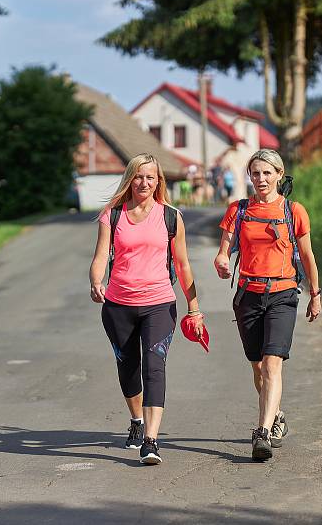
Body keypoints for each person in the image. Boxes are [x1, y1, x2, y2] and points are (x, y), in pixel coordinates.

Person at [89, 153, 205, 465]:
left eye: (150, 177)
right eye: (139, 177)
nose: (144, 183)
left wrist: (194, 307)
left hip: (159, 303)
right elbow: (101, 255)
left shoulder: (170, 216)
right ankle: (136, 421)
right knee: (128, 366)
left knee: (154, 366)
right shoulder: (112, 215)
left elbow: (182, 265)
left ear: (158, 181)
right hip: (118, 305)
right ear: (130, 179)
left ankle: (151, 441)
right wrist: (96, 281)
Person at [213, 149, 321, 461]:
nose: (260, 179)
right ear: (250, 176)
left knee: (273, 363)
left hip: (283, 294)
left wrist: (315, 293)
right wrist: (221, 260)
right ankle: (276, 414)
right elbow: (224, 250)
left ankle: (262, 432)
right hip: (248, 294)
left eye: (266, 173)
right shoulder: (239, 210)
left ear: (278, 174)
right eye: (256, 173)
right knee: (258, 366)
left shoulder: (293, 211)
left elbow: (308, 255)